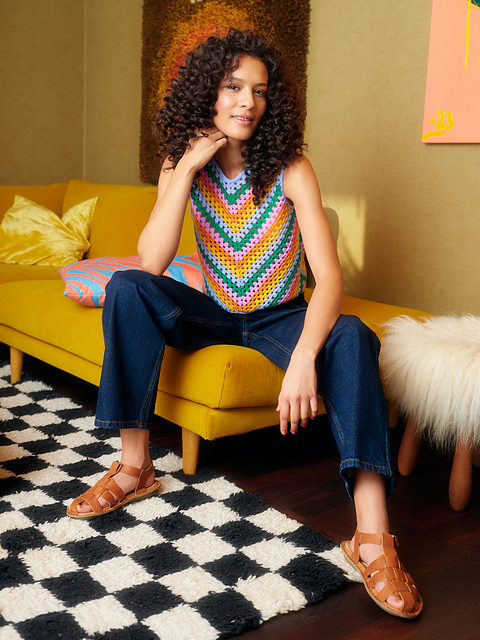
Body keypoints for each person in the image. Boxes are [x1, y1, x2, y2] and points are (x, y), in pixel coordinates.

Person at [67, 29, 423, 619]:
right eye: (233, 87)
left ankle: (371, 536)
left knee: (353, 334)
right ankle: (134, 466)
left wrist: (304, 357)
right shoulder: (182, 164)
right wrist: (186, 168)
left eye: (259, 91)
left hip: (281, 315)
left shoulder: (291, 168)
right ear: (206, 91)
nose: (247, 102)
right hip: (214, 314)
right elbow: (151, 261)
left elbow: (330, 281)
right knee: (127, 287)